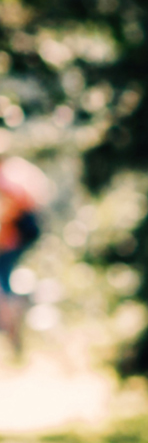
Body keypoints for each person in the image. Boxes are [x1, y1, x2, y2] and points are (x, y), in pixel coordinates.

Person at [0, 157, 48, 367]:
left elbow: (10, 210)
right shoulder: (15, 169)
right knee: (5, 283)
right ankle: (13, 333)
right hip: (19, 235)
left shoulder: (7, 178)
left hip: (14, 237)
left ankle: (11, 330)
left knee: (3, 285)